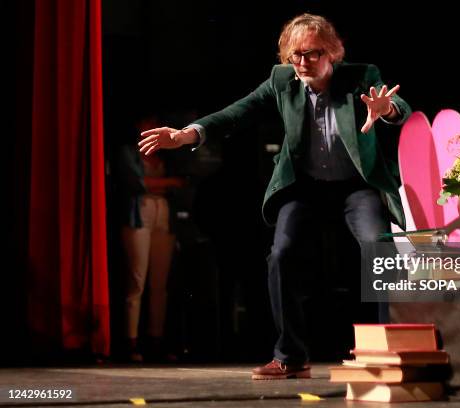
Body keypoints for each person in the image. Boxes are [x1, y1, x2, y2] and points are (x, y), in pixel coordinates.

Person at [138, 13, 411, 378]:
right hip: (305, 186)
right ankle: (290, 357)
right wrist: (188, 134)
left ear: (332, 53)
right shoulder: (282, 81)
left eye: (312, 54)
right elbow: (238, 112)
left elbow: (400, 108)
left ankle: (390, 349)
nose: (302, 62)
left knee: (379, 248)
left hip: (355, 186)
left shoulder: (361, 76)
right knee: (281, 254)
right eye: (296, 55)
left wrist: (388, 110)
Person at [114, 114, 185, 362]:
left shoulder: (166, 154)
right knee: (137, 280)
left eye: (155, 123)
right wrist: (162, 184)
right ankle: (131, 342)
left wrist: (156, 183)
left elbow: (180, 181)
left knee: (160, 284)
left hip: (163, 216)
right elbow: (135, 183)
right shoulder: (128, 153)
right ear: (138, 127)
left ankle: (156, 340)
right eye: (147, 123)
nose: (152, 127)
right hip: (139, 215)